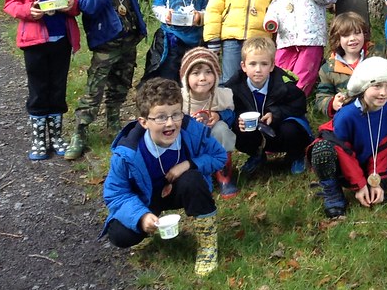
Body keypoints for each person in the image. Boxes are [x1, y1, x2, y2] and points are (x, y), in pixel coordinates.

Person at [101, 78, 226, 276]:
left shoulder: (192, 130)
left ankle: (207, 246)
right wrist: (141, 216)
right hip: (146, 197)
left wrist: (189, 164)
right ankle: (148, 219)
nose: (170, 123)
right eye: (160, 117)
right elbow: (116, 193)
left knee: (193, 179)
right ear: (143, 122)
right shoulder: (128, 153)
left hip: (180, 188)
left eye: (176, 114)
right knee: (120, 235)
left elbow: (219, 156)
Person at [3, 0, 82, 160]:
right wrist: (29, 11)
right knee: (38, 88)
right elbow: (11, 2)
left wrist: (70, 4)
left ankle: (57, 136)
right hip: (35, 39)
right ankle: (39, 138)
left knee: (58, 87)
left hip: (61, 38)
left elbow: (78, 5)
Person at [67, 0, 147, 160]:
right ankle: (80, 131)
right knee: (95, 89)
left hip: (128, 41)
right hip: (106, 44)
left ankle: (113, 120)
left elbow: (130, 4)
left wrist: (139, 28)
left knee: (121, 85)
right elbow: (88, 7)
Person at [308, 57, 387, 218]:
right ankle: (333, 192)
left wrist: (377, 179)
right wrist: (359, 185)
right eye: (377, 86)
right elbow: (344, 152)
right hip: (344, 164)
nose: (383, 93)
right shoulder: (347, 115)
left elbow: (382, 148)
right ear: (363, 87)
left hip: (369, 161)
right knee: (322, 150)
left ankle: (380, 182)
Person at [225, 36, 312, 177]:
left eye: (264, 64)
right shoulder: (234, 87)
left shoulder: (284, 84)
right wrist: (237, 121)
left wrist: (275, 113)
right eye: (252, 64)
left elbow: (299, 105)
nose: (258, 69)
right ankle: (256, 154)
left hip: (279, 129)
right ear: (243, 66)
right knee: (238, 129)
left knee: (291, 129)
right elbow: (231, 110)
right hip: (256, 131)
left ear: (272, 66)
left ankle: (296, 155)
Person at [179, 47, 238, 198]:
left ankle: (224, 173)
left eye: (208, 71)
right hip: (189, 143)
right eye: (196, 73)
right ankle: (193, 174)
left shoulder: (222, 95)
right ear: (186, 77)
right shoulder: (179, 99)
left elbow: (232, 116)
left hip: (213, 141)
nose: (203, 78)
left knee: (221, 129)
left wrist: (219, 115)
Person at [313, 12, 374, 119]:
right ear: (337, 39)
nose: (352, 38)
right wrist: (332, 103)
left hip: (376, 113)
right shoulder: (329, 69)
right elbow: (321, 97)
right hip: (348, 118)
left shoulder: (377, 57)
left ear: (364, 34)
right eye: (346, 35)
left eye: (357, 33)